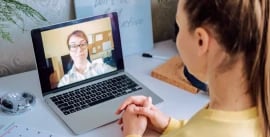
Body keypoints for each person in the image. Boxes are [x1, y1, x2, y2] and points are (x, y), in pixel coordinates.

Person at [115, 0, 270, 137]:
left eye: (180, 25)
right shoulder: (260, 110)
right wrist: (169, 124)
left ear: (201, 41)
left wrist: (132, 132)